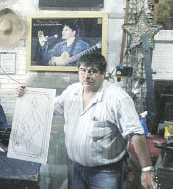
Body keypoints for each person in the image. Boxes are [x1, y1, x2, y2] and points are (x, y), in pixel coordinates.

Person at [16, 53, 155, 189]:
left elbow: (136, 134)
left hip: (106, 173)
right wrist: (26, 95)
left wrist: (147, 169)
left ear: (103, 74)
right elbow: (50, 106)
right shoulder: (72, 91)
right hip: (77, 169)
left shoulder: (117, 98)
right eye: (83, 70)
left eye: (92, 71)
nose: (86, 76)